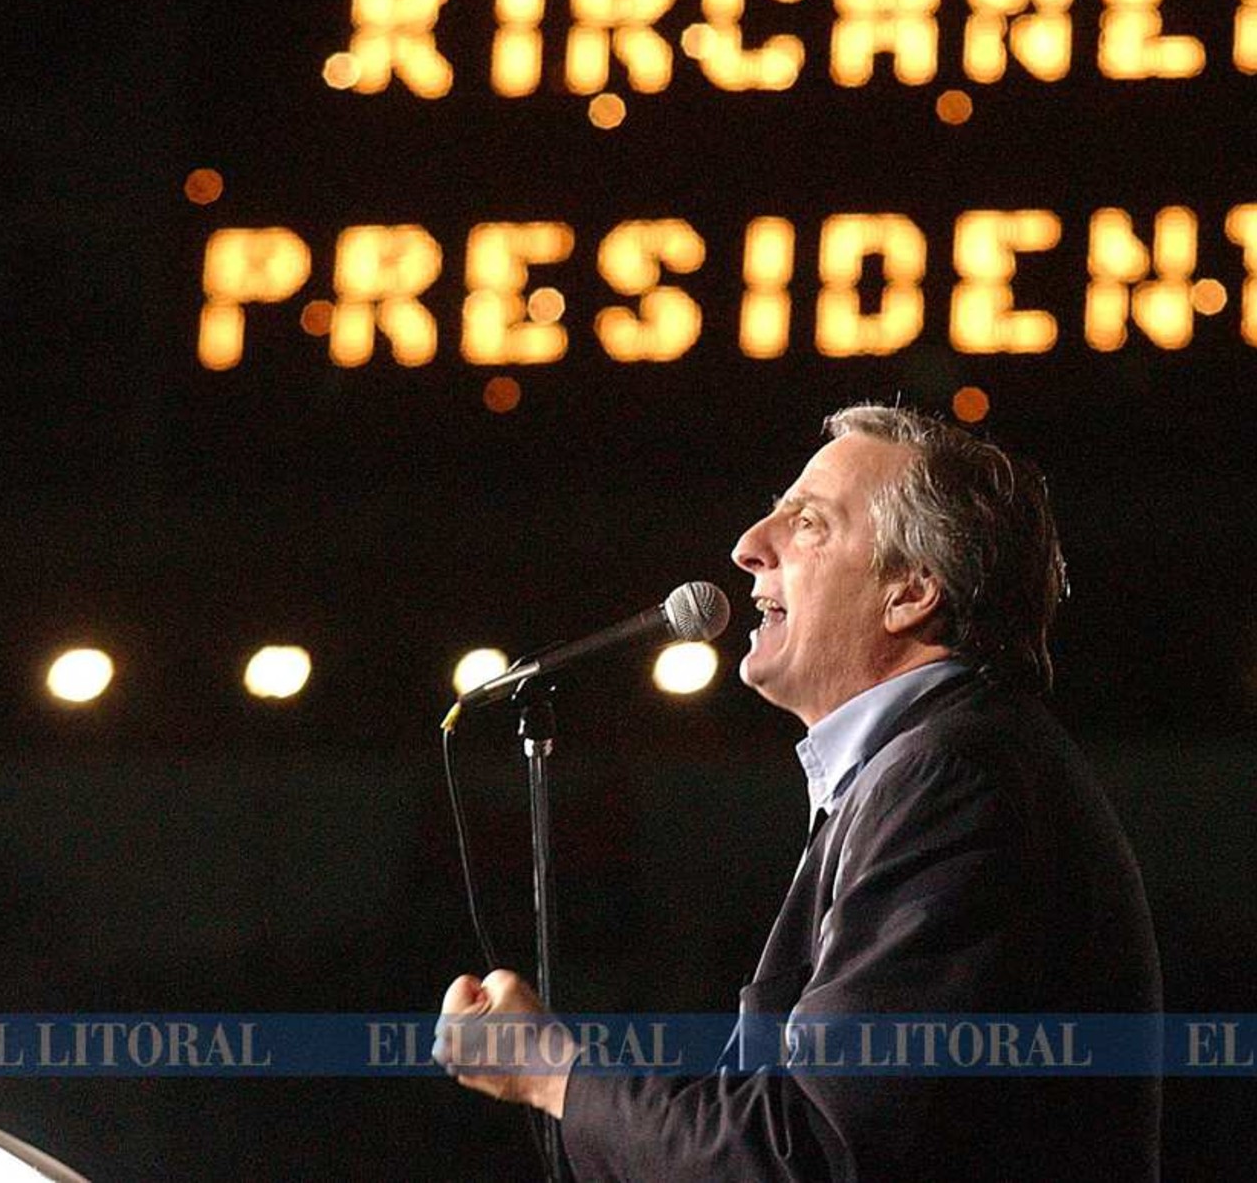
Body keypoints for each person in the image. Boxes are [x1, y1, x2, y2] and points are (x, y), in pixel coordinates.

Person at [436, 403, 1162, 1180]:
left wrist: (551, 1073)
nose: (748, 548)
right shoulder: (926, 766)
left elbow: (810, 1153)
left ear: (910, 590)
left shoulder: (951, 778)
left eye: (807, 523)